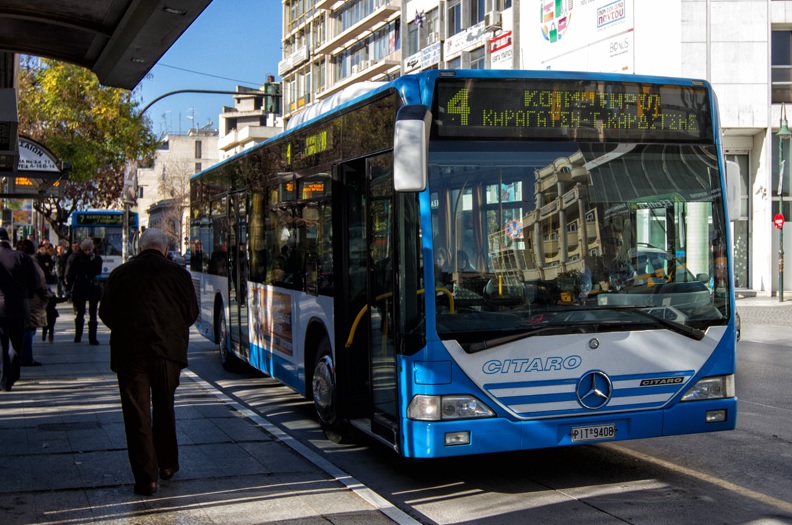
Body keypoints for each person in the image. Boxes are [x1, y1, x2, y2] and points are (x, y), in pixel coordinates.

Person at [99, 228, 198, 496]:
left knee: (137, 414)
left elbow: (105, 312)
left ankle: (147, 479)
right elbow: (191, 313)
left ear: (139, 248)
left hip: (130, 353)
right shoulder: (179, 275)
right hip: (167, 352)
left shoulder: (121, 274)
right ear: (165, 249)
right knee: (165, 406)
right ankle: (167, 465)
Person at [0, 228, 41, 391]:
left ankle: (4, 379)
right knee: (17, 342)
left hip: (0, 308)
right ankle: (14, 374)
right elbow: (35, 281)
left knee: (2, 343)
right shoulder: (21, 257)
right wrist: (27, 293)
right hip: (19, 306)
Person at [16, 240, 49, 366]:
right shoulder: (32, 262)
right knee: (29, 329)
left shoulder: (15, 260)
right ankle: (26, 358)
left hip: (17, 299)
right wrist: (46, 295)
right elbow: (40, 281)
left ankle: (18, 356)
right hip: (32, 299)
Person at [65, 238, 103, 344]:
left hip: (92, 286)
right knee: (80, 312)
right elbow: (72, 273)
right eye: (85, 250)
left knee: (93, 313)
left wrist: (93, 260)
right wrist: (68, 289)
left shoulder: (97, 258)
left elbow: (97, 271)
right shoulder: (76, 258)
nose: (88, 252)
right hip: (80, 286)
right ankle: (78, 336)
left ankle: (92, 337)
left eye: (89, 250)